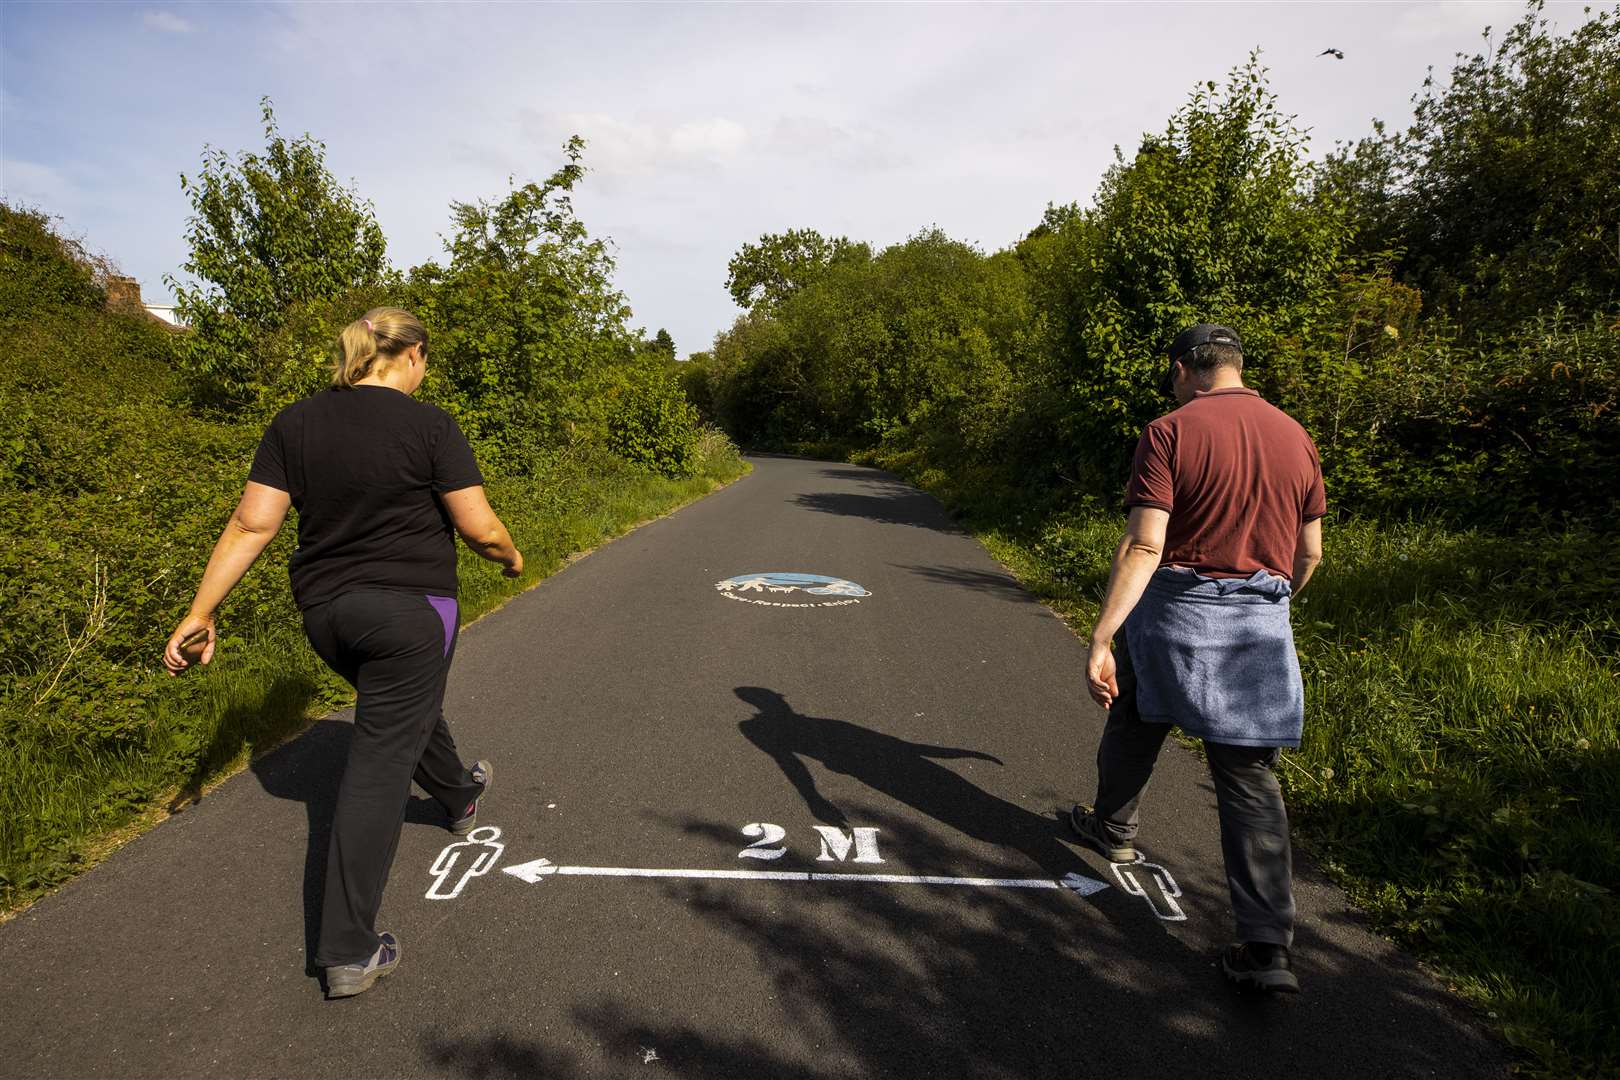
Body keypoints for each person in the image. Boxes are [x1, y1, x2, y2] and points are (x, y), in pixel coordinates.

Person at [162, 307, 524, 999]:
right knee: (380, 761)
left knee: (402, 709)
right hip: (412, 614)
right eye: (426, 360)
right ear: (412, 355)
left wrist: (201, 611)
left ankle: (458, 792)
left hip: (326, 615)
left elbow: (251, 524)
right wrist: (511, 558)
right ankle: (349, 951)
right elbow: (478, 527)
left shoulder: (295, 421)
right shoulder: (431, 425)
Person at [1069, 324, 1325, 994]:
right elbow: (1311, 553)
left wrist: (1102, 634)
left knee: (1135, 716)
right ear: (1237, 367)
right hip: (1257, 628)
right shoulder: (1295, 435)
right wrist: (1266, 606)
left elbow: (1145, 544)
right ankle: (1266, 948)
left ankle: (1112, 828)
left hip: (1173, 616)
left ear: (1183, 369)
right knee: (1247, 779)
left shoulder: (1170, 431)